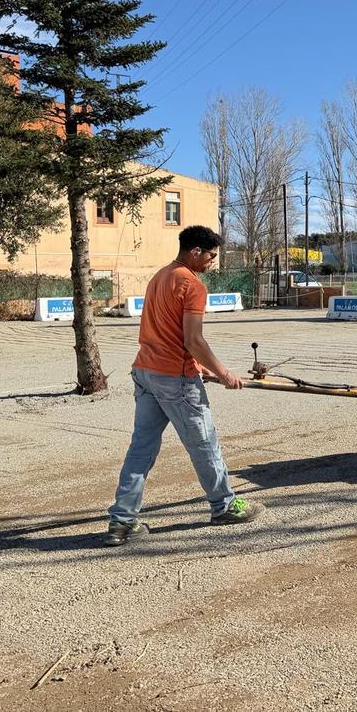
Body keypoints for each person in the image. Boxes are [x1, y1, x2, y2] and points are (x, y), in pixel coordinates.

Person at [105, 225, 263, 546]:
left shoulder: (159, 277)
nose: (212, 262)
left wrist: (201, 367)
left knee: (141, 449)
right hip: (175, 379)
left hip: (146, 371)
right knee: (204, 442)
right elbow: (193, 339)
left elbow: (166, 332)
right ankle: (224, 505)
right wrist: (222, 372)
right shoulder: (192, 285)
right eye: (211, 256)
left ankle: (122, 522)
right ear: (195, 252)